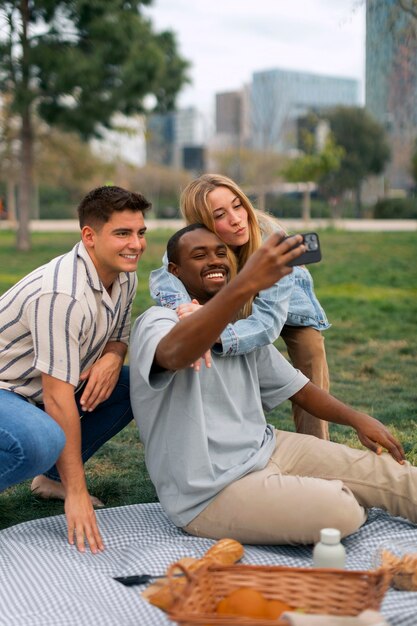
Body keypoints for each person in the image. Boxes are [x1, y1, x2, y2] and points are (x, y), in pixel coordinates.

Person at [130, 224, 416, 545]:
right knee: (341, 510)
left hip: (267, 447)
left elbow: (300, 389)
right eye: (199, 255)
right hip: (209, 492)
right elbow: (173, 353)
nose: (214, 260)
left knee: (395, 476)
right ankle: (305, 495)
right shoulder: (158, 321)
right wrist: (243, 285)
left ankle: (298, 492)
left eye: (221, 253)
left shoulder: (240, 329)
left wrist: (356, 419)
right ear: (175, 270)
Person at [0, 185, 150, 553]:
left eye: (140, 232)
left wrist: (114, 358)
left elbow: (119, 334)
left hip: (35, 387)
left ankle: (51, 480)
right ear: (90, 236)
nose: (136, 244)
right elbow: (57, 397)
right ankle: (65, 483)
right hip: (8, 386)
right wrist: (78, 494)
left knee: (134, 386)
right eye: (122, 233)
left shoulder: (123, 272)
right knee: (39, 440)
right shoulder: (62, 295)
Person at [150, 173, 330, 440]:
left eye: (238, 205)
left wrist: (212, 333)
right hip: (230, 296)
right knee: (193, 340)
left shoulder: (273, 242)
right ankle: (221, 437)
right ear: (203, 224)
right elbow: (165, 284)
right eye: (220, 215)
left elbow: (267, 324)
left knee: (311, 351)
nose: (236, 219)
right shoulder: (188, 242)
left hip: (288, 307)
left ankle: (319, 449)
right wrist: (193, 318)